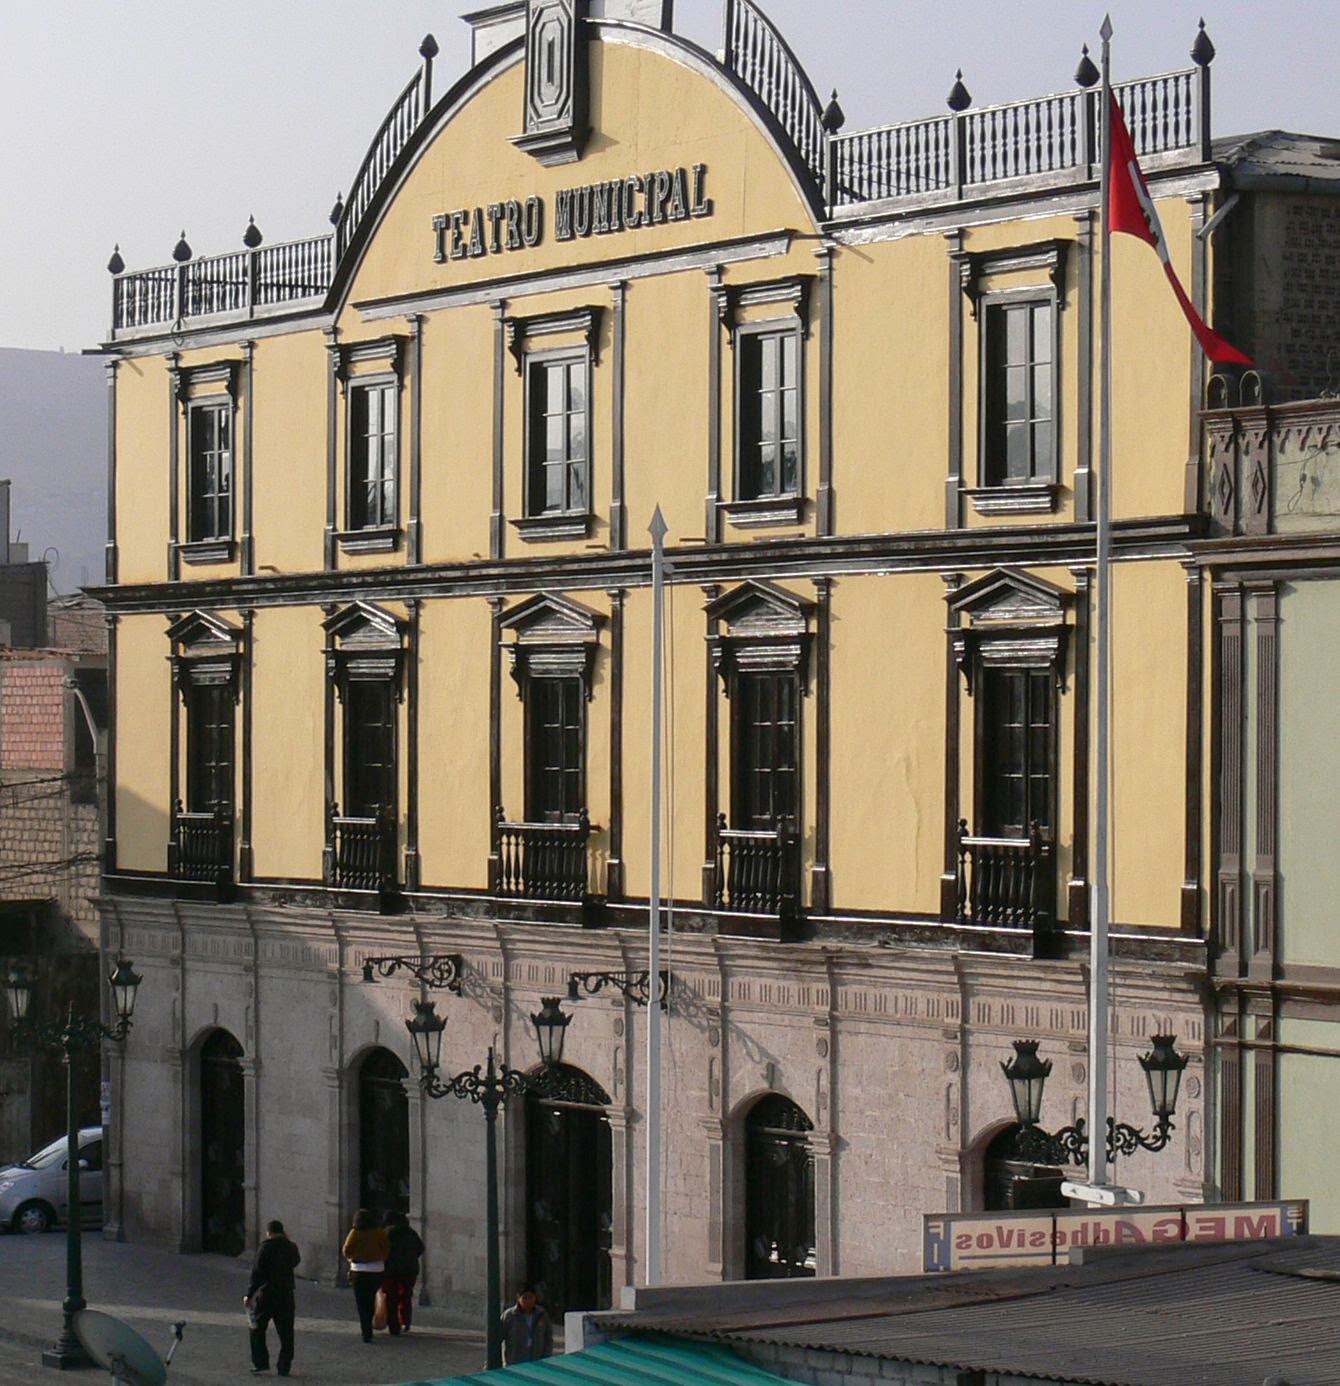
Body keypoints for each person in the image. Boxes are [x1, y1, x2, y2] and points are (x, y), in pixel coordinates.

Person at [244, 1219, 301, 1377]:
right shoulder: (291, 1246)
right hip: (286, 1294)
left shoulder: (265, 1247)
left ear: (269, 1232)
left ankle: (261, 1362)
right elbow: (296, 1261)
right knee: (286, 1333)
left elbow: (257, 1273)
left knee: (256, 1328)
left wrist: (249, 1295)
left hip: (268, 1294)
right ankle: (284, 1366)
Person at [342, 1208, 390, 1343]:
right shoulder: (379, 1233)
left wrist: (352, 1258)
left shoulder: (355, 1233)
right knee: (372, 1298)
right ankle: (372, 1321)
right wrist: (381, 1258)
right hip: (377, 1270)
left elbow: (346, 1249)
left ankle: (366, 1331)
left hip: (359, 1270)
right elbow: (386, 1248)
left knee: (362, 1303)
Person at [381, 1210, 424, 1336]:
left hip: (391, 1271)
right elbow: (420, 1248)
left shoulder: (387, 1233)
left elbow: (382, 1250)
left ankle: (394, 1326)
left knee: (391, 1299)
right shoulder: (411, 1232)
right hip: (410, 1269)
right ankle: (406, 1322)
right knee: (406, 1297)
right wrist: (411, 1257)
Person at [500, 1283, 553, 1365]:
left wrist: (546, 1358)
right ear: (518, 1298)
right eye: (525, 1298)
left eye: (531, 1297)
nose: (528, 1301)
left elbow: (548, 1338)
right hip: (514, 1362)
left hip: (536, 1361)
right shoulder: (509, 1316)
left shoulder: (542, 1314)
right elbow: (498, 1339)